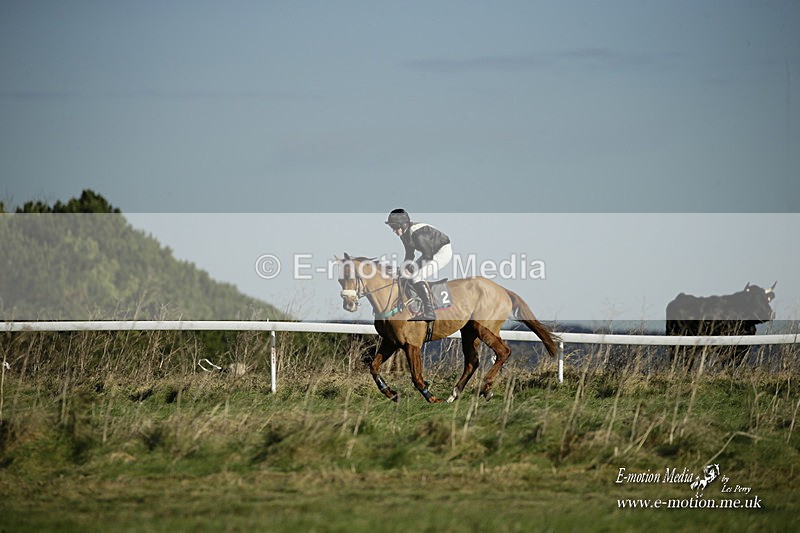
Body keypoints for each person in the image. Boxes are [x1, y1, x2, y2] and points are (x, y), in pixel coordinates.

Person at [385, 208, 453, 320]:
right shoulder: (404, 235)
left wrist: (411, 269)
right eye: (392, 228)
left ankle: (429, 311)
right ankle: (415, 303)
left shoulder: (417, 234)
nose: (393, 231)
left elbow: (428, 256)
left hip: (442, 252)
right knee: (406, 275)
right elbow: (410, 255)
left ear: (403, 225)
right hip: (430, 253)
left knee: (417, 276)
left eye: (395, 227)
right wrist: (402, 269)